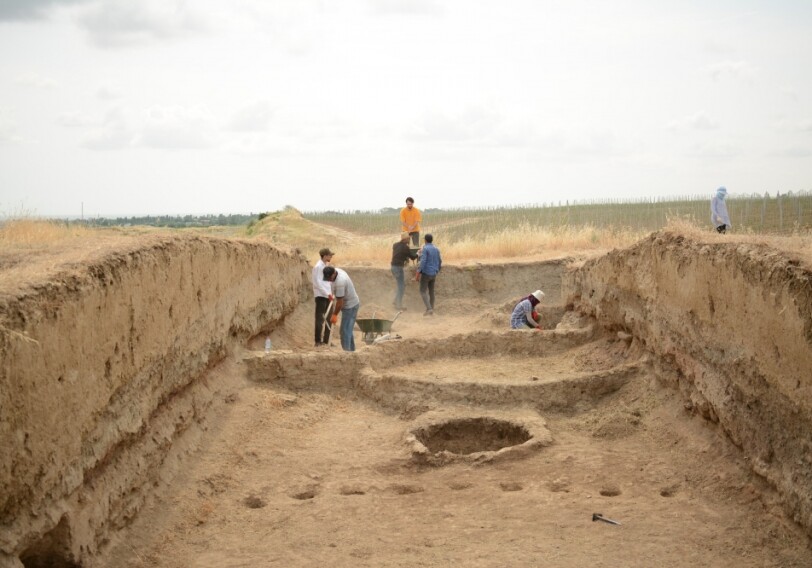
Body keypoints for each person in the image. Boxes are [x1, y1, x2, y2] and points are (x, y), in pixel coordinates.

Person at [322, 265, 360, 352]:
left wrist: (334, 314)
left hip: (350, 307)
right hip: (349, 303)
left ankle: (346, 354)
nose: (328, 280)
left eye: (329, 278)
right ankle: (352, 352)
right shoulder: (336, 271)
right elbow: (330, 284)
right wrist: (330, 293)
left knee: (344, 331)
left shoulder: (340, 282)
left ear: (334, 273)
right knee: (348, 330)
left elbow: (339, 303)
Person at [312, 247, 334, 347]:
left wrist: (331, 292)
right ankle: (317, 341)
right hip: (321, 296)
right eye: (329, 255)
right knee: (320, 319)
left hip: (328, 295)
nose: (331, 257)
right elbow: (317, 283)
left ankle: (327, 340)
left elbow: (327, 282)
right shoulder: (317, 267)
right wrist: (326, 293)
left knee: (329, 319)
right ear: (324, 256)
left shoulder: (326, 266)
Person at [416, 233, 441, 316]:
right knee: (431, 292)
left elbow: (423, 262)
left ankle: (429, 309)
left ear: (425, 240)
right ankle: (431, 309)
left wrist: (418, 272)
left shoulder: (425, 249)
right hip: (434, 273)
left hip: (426, 273)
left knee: (422, 291)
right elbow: (440, 261)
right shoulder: (436, 249)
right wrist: (437, 270)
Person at [391, 231, 418, 310]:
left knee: (400, 285)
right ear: (406, 239)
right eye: (408, 239)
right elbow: (412, 257)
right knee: (401, 287)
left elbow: (400, 253)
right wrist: (418, 254)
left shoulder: (395, 245)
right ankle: (398, 305)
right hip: (398, 268)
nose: (409, 240)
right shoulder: (405, 247)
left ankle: (396, 300)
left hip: (393, 267)